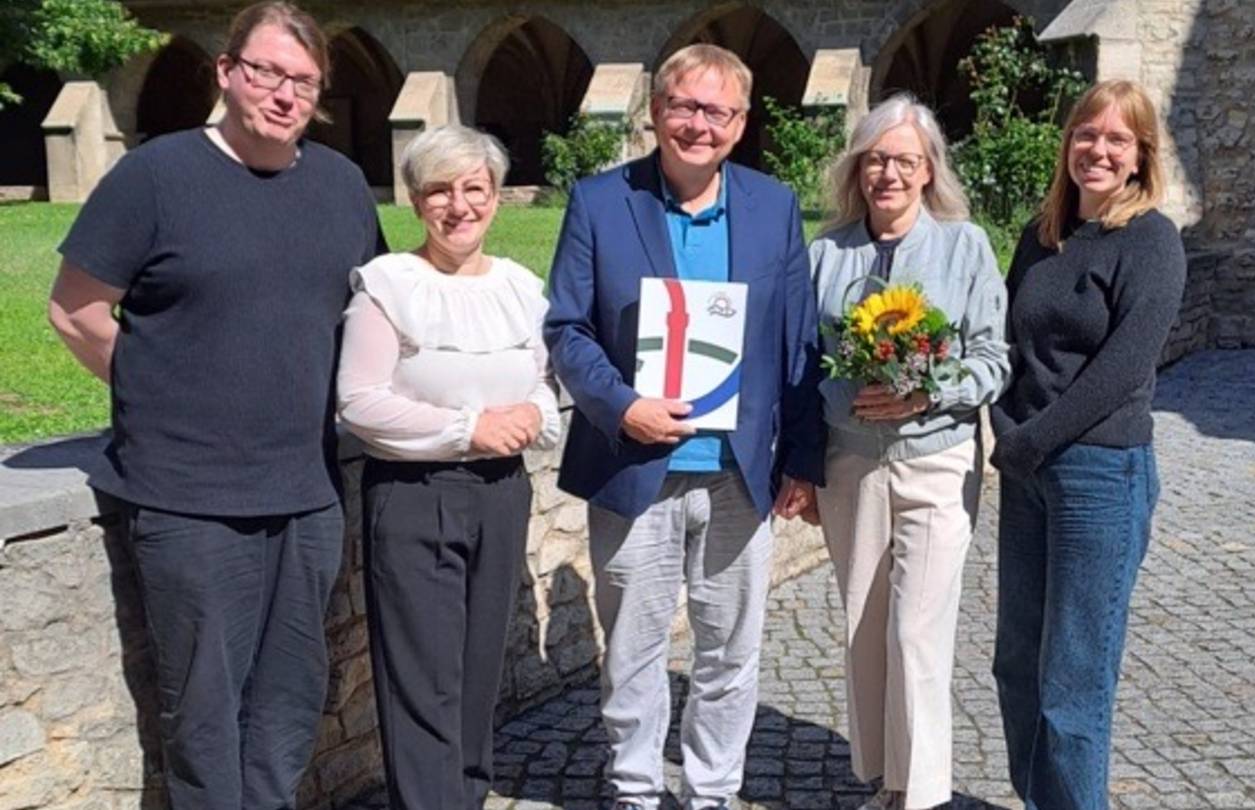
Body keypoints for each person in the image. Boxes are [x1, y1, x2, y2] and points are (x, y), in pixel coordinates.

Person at [45, 2, 384, 808]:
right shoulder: (156, 176)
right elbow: (75, 308)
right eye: (265, 71)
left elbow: (373, 314)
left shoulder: (338, 185)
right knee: (201, 714)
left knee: (291, 700)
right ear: (227, 73)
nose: (283, 92)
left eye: (302, 80)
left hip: (308, 492)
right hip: (187, 496)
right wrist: (163, 393)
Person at [543, 43, 825, 810]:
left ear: (740, 123)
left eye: (718, 111)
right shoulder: (601, 201)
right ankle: (635, 791)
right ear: (657, 111)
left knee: (730, 651)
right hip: (635, 466)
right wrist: (620, 405)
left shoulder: (773, 206)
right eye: (685, 107)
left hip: (741, 473)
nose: (699, 125)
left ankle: (710, 792)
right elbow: (567, 328)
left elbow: (799, 340)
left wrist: (803, 459)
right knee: (633, 650)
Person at [336, 124, 560, 809]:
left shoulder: (521, 286)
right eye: (440, 190)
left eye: (475, 189)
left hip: (501, 492)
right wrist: (469, 428)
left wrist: (533, 416)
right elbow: (359, 402)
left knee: (477, 667)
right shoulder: (388, 285)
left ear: (496, 198)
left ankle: (467, 796)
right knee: (424, 676)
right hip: (415, 494)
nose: (458, 205)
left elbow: (540, 379)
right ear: (415, 200)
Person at [806, 94, 1010, 810]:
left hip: (938, 457)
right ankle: (886, 780)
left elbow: (993, 358)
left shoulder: (966, 246)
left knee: (914, 628)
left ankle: (920, 797)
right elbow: (800, 367)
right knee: (863, 625)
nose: (887, 173)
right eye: (875, 159)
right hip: (849, 463)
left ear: (929, 171)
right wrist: (799, 468)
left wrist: (929, 391)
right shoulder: (827, 252)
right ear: (858, 169)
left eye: (903, 160)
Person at [990, 79, 1185, 810]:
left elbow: (1125, 369)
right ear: (1067, 143)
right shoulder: (1041, 239)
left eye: (1116, 139)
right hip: (1030, 467)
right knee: (1016, 665)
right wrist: (1004, 425)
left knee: (1073, 682)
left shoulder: (1152, 242)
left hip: (1101, 472)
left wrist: (1027, 438)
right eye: (1085, 134)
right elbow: (1009, 342)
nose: (1097, 150)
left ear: (1140, 157)